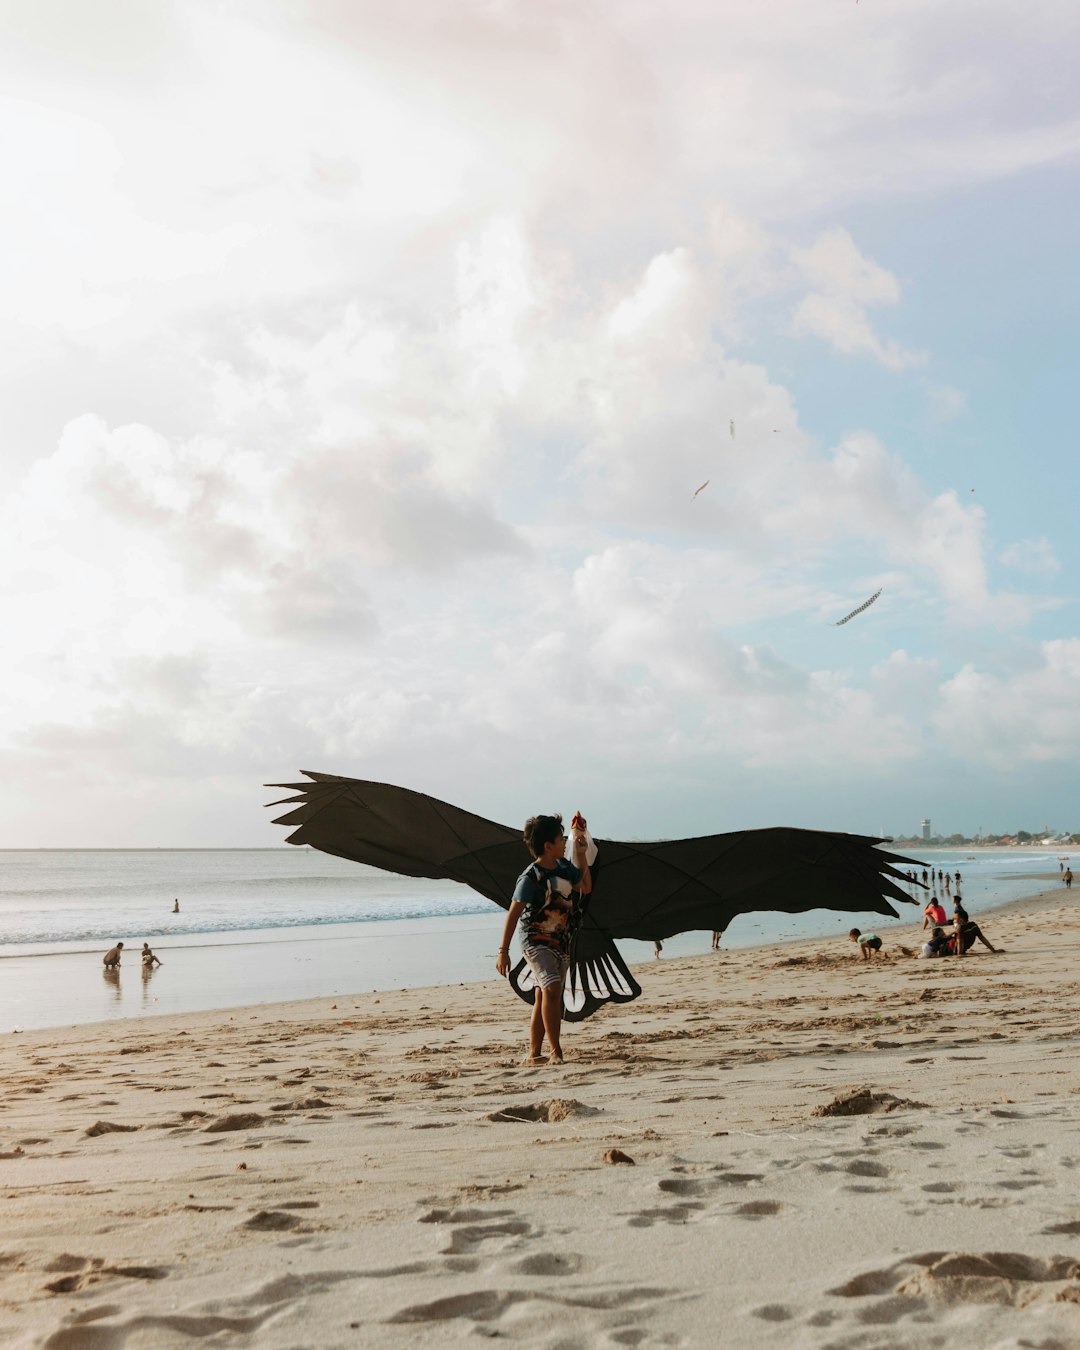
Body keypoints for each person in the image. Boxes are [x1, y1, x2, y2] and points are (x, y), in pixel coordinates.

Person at [496, 813, 591, 1066]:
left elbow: (586, 887)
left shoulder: (564, 868)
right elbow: (514, 913)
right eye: (561, 840)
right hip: (535, 941)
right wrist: (503, 950)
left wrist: (581, 855)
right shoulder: (530, 877)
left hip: (560, 941)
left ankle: (533, 1053)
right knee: (551, 989)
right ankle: (556, 1052)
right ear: (548, 846)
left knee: (542, 995)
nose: (565, 843)